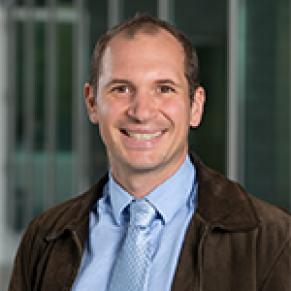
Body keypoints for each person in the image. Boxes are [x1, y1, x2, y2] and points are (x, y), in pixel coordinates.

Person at [8, 14, 290, 291]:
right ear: (92, 103)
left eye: (164, 89)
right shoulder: (45, 237)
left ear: (195, 106)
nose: (141, 112)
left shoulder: (270, 240)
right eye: (121, 89)